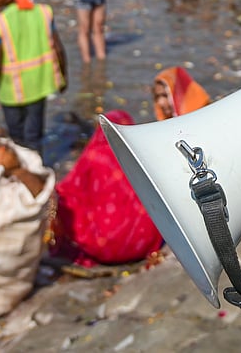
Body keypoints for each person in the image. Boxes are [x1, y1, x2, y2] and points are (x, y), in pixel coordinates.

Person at [49, 110, 163, 268]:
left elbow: (66, 190)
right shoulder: (140, 154)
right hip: (144, 243)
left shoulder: (94, 156)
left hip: (104, 247)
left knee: (64, 200)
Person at [0, 0, 68, 159]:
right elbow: (59, 49)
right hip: (39, 86)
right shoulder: (43, 12)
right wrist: (63, 77)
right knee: (34, 136)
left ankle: (22, 174)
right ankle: (37, 171)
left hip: (11, 92)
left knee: (17, 137)